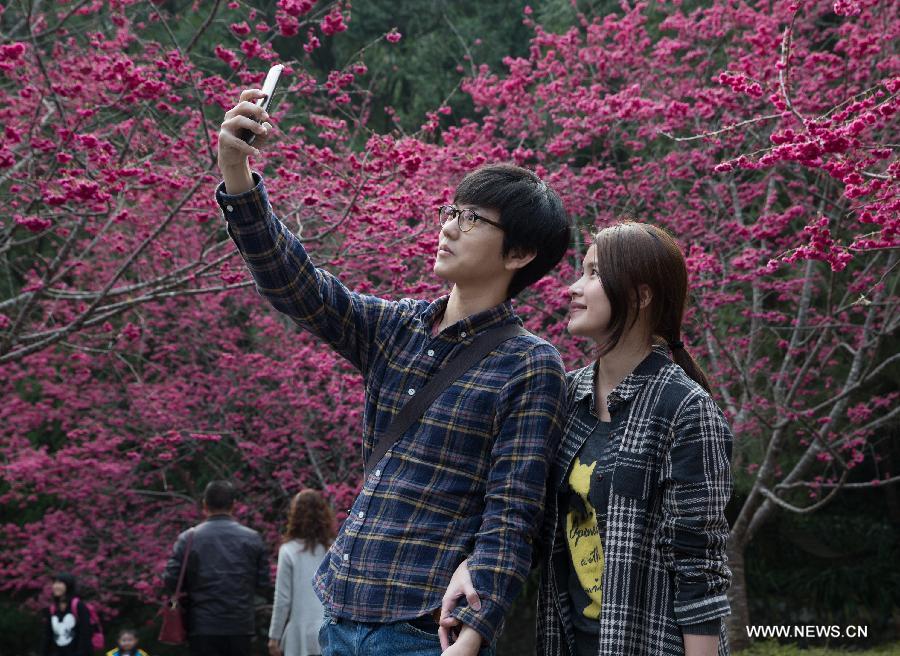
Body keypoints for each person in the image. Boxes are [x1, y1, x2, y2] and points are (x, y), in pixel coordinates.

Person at [216, 89, 572, 656]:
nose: (449, 227)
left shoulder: (529, 365)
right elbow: (295, 284)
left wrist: (477, 629)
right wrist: (237, 172)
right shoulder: (397, 327)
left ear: (519, 254)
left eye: (472, 219)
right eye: (450, 211)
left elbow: (513, 513)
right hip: (341, 610)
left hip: (423, 627)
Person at [439, 221, 734, 656]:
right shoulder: (566, 395)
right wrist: (474, 567)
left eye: (594, 274)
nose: (573, 288)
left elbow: (699, 567)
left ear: (640, 294)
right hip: (565, 641)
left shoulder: (685, 409)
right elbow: (528, 522)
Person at [163, 480, 271, 656]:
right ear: (234, 505)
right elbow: (263, 582)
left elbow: (170, 579)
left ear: (205, 505)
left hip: (202, 623)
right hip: (240, 623)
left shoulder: (188, 538)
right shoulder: (252, 538)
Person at [268, 490, 336, 656]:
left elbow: (283, 599)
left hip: (299, 634)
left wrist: (274, 637)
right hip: (330, 631)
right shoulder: (334, 549)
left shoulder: (288, 551)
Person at [40, 573, 92, 656]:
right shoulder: (52, 609)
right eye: (55, 583)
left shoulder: (78, 606)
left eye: (60, 583)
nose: (56, 586)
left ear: (69, 585)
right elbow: (48, 636)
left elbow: (85, 635)